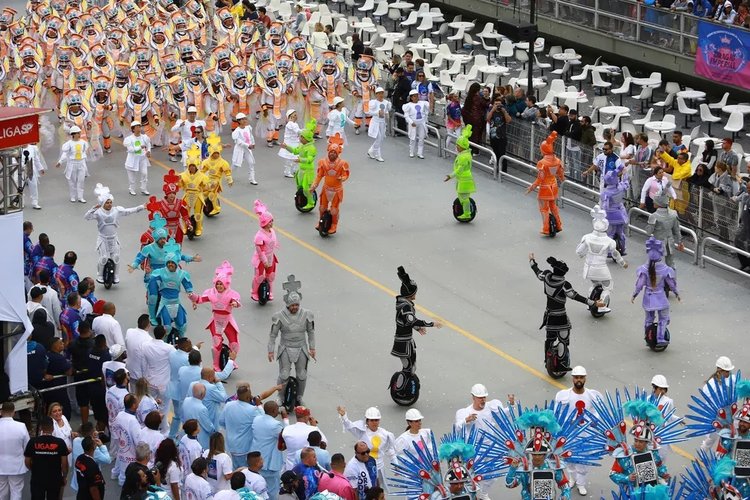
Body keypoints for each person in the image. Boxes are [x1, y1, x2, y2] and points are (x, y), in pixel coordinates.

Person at [529, 255, 602, 372]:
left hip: (549, 314)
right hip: (560, 316)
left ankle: (546, 360)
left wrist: (532, 261)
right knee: (563, 339)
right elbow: (576, 296)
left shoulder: (546, 276)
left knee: (549, 338)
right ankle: (560, 364)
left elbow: (537, 272)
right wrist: (593, 303)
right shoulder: (564, 285)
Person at [553, 366, 604, 496]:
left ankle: (581, 484)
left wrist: (592, 421)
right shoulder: (565, 395)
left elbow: (597, 412)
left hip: (585, 434)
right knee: (569, 458)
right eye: (576, 377)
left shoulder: (591, 395)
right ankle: (572, 478)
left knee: (583, 460)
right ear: (573, 379)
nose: (579, 380)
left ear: (585, 378)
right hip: (569, 434)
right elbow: (557, 413)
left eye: (581, 377)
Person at [268, 275, 315, 405]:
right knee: (284, 374)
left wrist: (312, 348)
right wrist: (270, 351)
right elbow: (273, 335)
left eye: (297, 305)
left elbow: (311, 332)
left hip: (301, 347)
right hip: (285, 348)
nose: (295, 307)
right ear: (288, 304)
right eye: (292, 305)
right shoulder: (279, 316)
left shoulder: (306, 314)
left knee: (302, 375)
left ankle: (299, 397)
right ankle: (280, 396)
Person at [84, 184, 145, 284]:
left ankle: (116, 275)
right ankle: (100, 275)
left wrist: (141, 207)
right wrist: (93, 208)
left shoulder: (117, 211)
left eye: (110, 202)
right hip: (103, 238)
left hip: (113, 238)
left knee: (116, 257)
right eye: (107, 202)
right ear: (103, 203)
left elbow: (128, 211)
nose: (109, 204)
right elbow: (87, 217)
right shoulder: (98, 212)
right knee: (103, 258)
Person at [390, 266, 442, 379]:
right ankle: (402, 390)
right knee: (409, 368)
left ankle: (405, 389)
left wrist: (417, 328)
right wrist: (431, 324)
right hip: (403, 342)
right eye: (414, 293)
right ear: (410, 295)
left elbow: (407, 321)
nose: (415, 295)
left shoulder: (404, 305)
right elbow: (411, 320)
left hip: (406, 341)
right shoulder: (405, 307)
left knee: (411, 367)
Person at [575, 205, 628, 314]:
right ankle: (602, 305)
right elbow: (615, 254)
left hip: (588, 268)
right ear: (606, 227)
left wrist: (583, 255)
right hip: (601, 269)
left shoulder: (586, 237)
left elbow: (579, 251)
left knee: (594, 284)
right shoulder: (610, 241)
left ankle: (590, 301)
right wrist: (623, 263)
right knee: (608, 286)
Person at [193, 261, 242, 370]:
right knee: (217, 344)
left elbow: (237, 302)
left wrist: (235, 303)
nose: (219, 286)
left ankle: (231, 362)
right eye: (217, 284)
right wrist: (192, 297)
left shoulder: (231, 294)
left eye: (221, 284)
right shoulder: (211, 293)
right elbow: (200, 299)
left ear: (226, 284)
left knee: (234, 345)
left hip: (228, 321)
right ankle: (216, 365)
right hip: (216, 321)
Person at [632, 237, 680, 347]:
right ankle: (660, 337)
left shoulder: (644, 269)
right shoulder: (665, 269)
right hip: (661, 298)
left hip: (648, 299)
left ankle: (647, 337)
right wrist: (677, 293)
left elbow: (639, 284)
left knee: (649, 319)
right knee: (663, 318)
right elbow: (671, 284)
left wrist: (634, 294)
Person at [338, 407, 395, 488]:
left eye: (376, 420)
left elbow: (390, 449)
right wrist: (344, 416)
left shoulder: (385, 434)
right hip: (364, 466)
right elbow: (349, 426)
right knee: (367, 488)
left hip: (379, 467)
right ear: (367, 421)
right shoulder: (361, 432)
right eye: (371, 420)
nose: (374, 422)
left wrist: (395, 463)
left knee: (379, 489)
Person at [148, 246, 197, 336]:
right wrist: (149, 275)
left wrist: (193, 300)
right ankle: (165, 346)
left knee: (182, 327)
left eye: (172, 262)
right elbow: (152, 281)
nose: (170, 264)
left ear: (176, 263)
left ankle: (182, 345)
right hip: (165, 305)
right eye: (168, 262)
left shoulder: (182, 274)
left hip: (177, 304)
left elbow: (188, 288)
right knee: (167, 329)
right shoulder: (160, 272)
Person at [505, 438, 572, 499]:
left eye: (540, 454)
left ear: (545, 454)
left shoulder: (553, 467)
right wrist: (513, 468)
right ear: (531, 454)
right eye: (534, 454)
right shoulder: (525, 469)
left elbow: (565, 486)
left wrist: (565, 496)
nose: (537, 457)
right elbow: (511, 484)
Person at [526, 132, 565, 235]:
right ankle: (559, 225)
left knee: (544, 209)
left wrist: (532, 187)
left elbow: (540, 178)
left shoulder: (542, 163)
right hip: (554, 185)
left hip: (545, 188)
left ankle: (546, 228)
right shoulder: (557, 160)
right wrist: (561, 178)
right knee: (553, 207)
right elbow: (561, 174)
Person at [311, 135, 349, 234]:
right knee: (322, 207)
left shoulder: (343, 163)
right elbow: (319, 175)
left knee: (334, 210)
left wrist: (342, 178)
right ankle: (320, 222)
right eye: (331, 152)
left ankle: (334, 225)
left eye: (334, 152)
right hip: (326, 189)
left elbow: (346, 174)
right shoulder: (322, 162)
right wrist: (314, 185)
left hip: (336, 190)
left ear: (338, 153)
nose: (332, 154)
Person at [25, 416, 70, 500]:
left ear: (41, 428)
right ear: (53, 428)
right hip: (55, 479)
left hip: (37, 479)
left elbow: (27, 461)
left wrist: (33, 470)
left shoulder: (32, 442)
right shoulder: (60, 442)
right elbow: (64, 464)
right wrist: (64, 477)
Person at [222, 383, 264, 469]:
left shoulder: (228, 405)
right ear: (249, 398)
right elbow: (263, 420)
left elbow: (221, 422)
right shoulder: (252, 410)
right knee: (244, 472)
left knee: (235, 469)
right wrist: (258, 405)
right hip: (244, 448)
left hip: (231, 445)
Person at [253, 402, 289, 500]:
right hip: (269, 463)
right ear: (273, 411)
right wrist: (285, 419)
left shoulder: (257, 419)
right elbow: (286, 435)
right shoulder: (275, 425)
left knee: (258, 488)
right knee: (272, 490)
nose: (278, 411)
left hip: (256, 460)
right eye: (277, 409)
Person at [281, 119, 318, 209]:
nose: (300, 138)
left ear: (307, 139)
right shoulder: (301, 145)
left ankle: (311, 202)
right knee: (300, 187)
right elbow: (295, 151)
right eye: (300, 136)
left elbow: (310, 159)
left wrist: (301, 160)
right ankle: (302, 200)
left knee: (306, 189)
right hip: (301, 170)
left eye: (302, 137)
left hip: (308, 171)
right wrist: (286, 147)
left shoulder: (311, 148)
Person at [646, 185, 684, 269]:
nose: (653, 202)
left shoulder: (654, 216)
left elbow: (649, 232)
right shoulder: (673, 214)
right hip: (669, 241)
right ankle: (671, 279)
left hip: (657, 243)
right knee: (670, 264)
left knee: (653, 263)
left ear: (658, 203)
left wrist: (649, 225)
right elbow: (677, 230)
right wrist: (680, 242)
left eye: (654, 201)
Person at [444, 126, 476, 221]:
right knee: (462, 197)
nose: (456, 147)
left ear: (462, 146)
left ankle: (467, 214)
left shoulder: (463, 157)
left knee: (464, 198)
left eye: (458, 145)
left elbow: (459, 170)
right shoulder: (466, 154)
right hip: (463, 179)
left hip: (464, 180)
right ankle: (466, 212)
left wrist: (450, 176)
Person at [0, 402, 30, 500]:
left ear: (1, 412)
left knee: (1, 492)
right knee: (16, 492)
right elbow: (27, 447)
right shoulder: (21, 426)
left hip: (0, 466)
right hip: (17, 466)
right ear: (14, 412)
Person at [252, 200, 279, 302]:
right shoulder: (259, 236)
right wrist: (265, 261)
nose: (272, 223)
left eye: (272, 221)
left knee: (270, 276)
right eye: (270, 221)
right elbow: (260, 251)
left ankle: (270, 292)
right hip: (261, 260)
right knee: (259, 277)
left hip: (271, 256)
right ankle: (254, 292)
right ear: (265, 222)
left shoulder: (272, 231)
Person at [54, 126, 90, 203]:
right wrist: (60, 161)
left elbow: (84, 152)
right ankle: (73, 196)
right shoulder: (69, 144)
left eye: (79, 133)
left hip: (81, 163)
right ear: (73, 134)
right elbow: (65, 154)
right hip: (72, 164)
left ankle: (80, 197)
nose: (79, 134)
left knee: (81, 181)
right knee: (72, 181)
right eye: (77, 133)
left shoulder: (83, 143)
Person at [600, 169, 630, 255]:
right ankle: (623, 249)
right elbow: (626, 183)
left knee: (610, 233)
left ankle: (609, 251)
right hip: (619, 214)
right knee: (621, 233)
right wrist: (625, 174)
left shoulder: (605, 192)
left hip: (609, 215)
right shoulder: (620, 188)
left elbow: (603, 202)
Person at [113, 394, 142, 485]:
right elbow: (138, 442)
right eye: (137, 402)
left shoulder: (120, 415)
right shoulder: (133, 421)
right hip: (131, 454)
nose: (139, 403)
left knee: (123, 470)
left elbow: (115, 432)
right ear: (133, 405)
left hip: (122, 450)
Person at [43, 338, 73, 418]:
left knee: (49, 408)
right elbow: (69, 372)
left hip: (47, 389)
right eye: (60, 343)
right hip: (58, 389)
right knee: (65, 410)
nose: (62, 344)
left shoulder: (46, 355)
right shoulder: (59, 358)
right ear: (54, 346)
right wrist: (70, 365)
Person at [182, 384, 215, 449]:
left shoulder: (186, 400)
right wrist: (214, 431)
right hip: (199, 440)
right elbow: (208, 427)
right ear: (203, 394)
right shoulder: (202, 408)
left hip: (186, 435)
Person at [123, 121, 152, 196]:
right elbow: (130, 150)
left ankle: (144, 189)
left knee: (144, 173)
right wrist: (140, 147)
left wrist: (148, 151)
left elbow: (148, 144)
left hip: (142, 159)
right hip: (132, 160)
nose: (139, 127)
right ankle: (131, 189)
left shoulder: (144, 137)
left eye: (139, 126)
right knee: (132, 177)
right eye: (137, 126)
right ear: (133, 129)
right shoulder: (129, 139)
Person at [461, 83, 489, 155]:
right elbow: (485, 104)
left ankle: (469, 147)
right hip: (477, 119)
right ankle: (475, 150)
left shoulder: (469, 97)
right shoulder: (478, 98)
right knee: (476, 135)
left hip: (469, 119)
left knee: (470, 134)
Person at [401, 89, 429, 159]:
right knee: (412, 138)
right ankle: (411, 152)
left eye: (417, 96)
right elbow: (406, 115)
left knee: (421, 138)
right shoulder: (408, 105)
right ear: (411, 97)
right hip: (413, 123)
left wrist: (425, 119)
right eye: (414, 96)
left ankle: (420, 153)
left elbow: (426, 112)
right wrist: (411, 122)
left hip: (421, 123)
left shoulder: (422, 103)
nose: (416, 98)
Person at [365, 87, 390, 163]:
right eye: (379, 93)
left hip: (382, 123)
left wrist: (386, 115)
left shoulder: (386, 102)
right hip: (375, 122)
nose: (381, 95)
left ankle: (371, 151)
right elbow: (369, 112)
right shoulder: (373, 102)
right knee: (378, 138)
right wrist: (377, 113)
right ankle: (377, 155)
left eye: (382, 93)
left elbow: (386, 111)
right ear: (376, 94)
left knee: (381, 138)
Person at [487, 95, 511, 173]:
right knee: (495, 153)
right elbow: (487, 119)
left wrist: (504, 112)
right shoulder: (491, 110)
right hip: (493, 136)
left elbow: (508, 120)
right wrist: (492, 110)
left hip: (502, 136)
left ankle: (503, 170)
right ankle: (496, 168)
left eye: (499, 104)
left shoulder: (503, 111)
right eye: (496, 104)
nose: (498, 106)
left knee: (502, 153)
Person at [232, 113, 258, 184]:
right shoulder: (237, 131)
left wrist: (253, 143)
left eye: (245, 119)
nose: (244, 120)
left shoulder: (248, 128)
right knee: (236, 164)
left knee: (251, 162)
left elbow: (251, 136)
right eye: (242, 119)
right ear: (239, 121)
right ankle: (229, 174)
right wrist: (247, 145)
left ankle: (252, 179)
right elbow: (238, 141)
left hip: (247, 149)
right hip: (240, 149)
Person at [24, 143, 49, 210]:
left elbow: (36, 159)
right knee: (20, 186)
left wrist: (40, 168)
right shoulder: (17, 149)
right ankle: (21, 201)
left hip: (31, 168)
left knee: (34, 185)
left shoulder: (33, 148)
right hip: (21, 169)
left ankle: (35, 202)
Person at [280, 110, 302, 178]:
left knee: (296, 157)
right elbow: (298, 131)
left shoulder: (294, 124)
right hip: (290, 143)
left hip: (295, 143)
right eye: (294, 115)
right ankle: (287, 172)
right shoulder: (291, 124)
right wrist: (306, 131)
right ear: (290, 116)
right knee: (290, 158)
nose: (296, 116)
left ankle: (295, 170)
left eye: (296, 115)